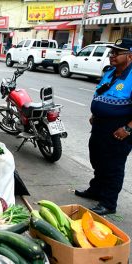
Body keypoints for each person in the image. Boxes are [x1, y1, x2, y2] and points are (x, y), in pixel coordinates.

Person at [74, 38, 132, 215]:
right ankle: (96, 190)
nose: (111, 55)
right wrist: (95, 113)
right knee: (97, 159)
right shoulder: (109, 72)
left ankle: (108, 203)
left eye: (116, 53)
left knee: (113, 166)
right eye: (111, 52)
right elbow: (102, 92)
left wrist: (128, 129)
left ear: (129, 56)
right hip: (100, 125)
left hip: (119, 129)